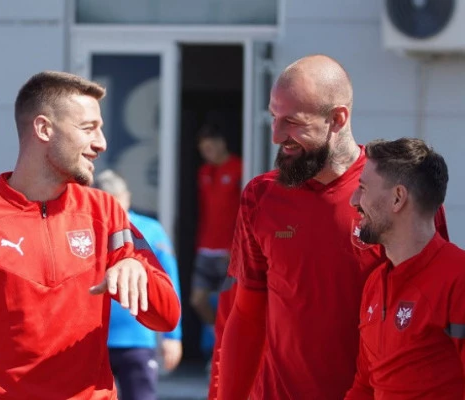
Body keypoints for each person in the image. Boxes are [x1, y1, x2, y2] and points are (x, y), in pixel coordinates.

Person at [0, 71, 181, 400]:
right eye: (88, 128)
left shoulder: (106, 212)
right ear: (44, 129)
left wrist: (138, 269)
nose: (101, 143)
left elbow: (167, 317)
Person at [215, 55, 449, 400]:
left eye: (292, 122)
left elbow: (438, 311)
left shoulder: (400, 195)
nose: (276, 136)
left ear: (337, 119)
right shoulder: (260, 196)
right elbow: (247, 315)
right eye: (273, 117)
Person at [345, 138, 465, 399]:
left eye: (363, 188)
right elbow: (365, 387)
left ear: (398, 198)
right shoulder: (375, 284)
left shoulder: (459, 280)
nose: (354, 200)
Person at [94, 169, 183, 400]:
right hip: (92, 340)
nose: (115, 206)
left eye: (118, 198)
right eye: (108, 199)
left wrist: (173, 337)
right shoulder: (86, 229)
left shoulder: (150, 230)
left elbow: (169, 281)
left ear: (127, 197)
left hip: (137, 339)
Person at [190, 123, 242, 327]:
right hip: (205, 248)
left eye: (209, 148)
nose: (206, 153)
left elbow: (246, 212)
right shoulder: (204, 172)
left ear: (221, 143)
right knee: (197, 300)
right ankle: (216, 333)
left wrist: (236, 246)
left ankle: (225, 340)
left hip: (228, 250)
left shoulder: (240, 168)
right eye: (203, 150)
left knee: (228, 302)